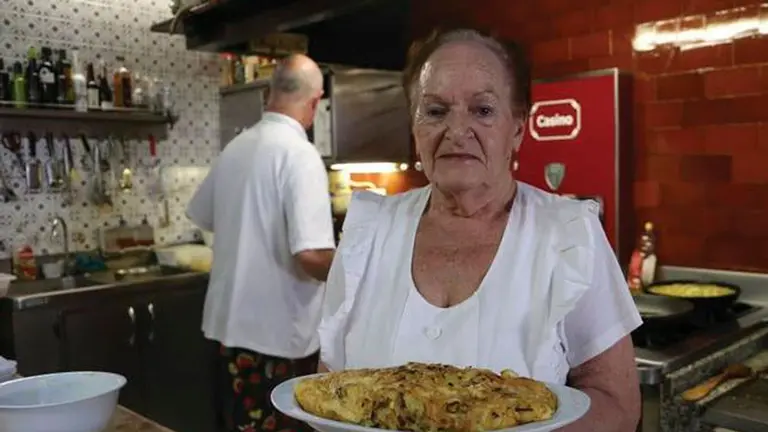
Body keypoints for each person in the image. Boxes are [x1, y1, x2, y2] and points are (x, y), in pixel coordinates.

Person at [317, 29, 642, 431]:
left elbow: (617, 405)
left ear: (518, 128)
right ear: (414, 126)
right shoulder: (368, 232)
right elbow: (329, 392)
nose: (457, 131)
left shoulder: (568, 235)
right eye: (435, 111)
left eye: (483, 110)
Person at [187, 54, 335, 432]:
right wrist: (359, 266)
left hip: (225, 334)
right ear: (315, 102)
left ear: (268, 93)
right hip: (274, 340)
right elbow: (312, 255)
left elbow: (203, 216)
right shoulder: (300, 155)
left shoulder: (237, 147)